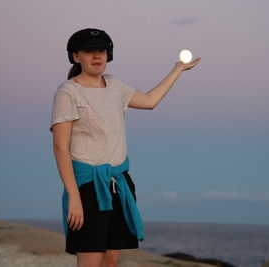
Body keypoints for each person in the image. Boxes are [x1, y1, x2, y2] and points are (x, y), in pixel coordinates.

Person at [49, 28, 200, 267]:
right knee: (91, 260)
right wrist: (74, 197)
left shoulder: (115, 86)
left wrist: (177, 70)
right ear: (76, 57)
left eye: (101, 50)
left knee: (111, 260)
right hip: (88, 186)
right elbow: (60, 146)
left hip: (119, 183)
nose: (97, 56)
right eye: (89, 51)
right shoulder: (69, 91)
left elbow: (150, 102)